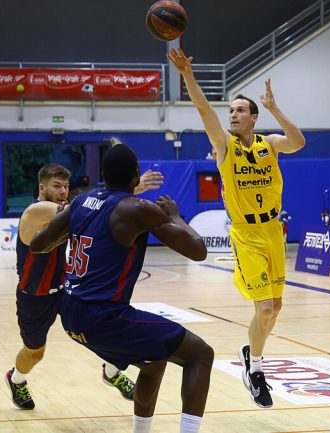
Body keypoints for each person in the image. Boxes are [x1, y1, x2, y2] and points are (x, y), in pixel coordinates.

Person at [30, 144, 213, 433]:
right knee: (201, 354)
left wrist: (64, 221)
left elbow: (39, 244)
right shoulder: (137, 209)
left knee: (154, 361)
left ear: (102, 175)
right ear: (136, 176)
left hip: (69, 313)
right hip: (104, 317)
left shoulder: (81, 201)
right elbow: (198, 251)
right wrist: (174, 215)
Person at [169, 47, 306, 408]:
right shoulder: (225, 146)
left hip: (274, 231)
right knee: (263, 309)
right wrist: (186, 74)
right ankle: (256, 370)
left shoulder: (269, 145)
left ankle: (251, 353)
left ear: (254, 117)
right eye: (231, 110)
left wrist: (276, 108)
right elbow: (203, 110)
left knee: (275, 307)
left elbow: (299, 142)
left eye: (240, 110)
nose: (233, 114)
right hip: (246, 235)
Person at [5, 163, 163, 410]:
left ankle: (111, 373)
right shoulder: (36, 211)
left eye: (66, 186)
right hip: (35, 296)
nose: (63, 191)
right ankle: (16, 379)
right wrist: (124, 190)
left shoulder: (66, 213)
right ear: (42, 187)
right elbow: (87, 208)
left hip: (67, 291)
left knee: (106, 333)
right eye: (57, 186)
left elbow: (93, 212)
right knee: (34, 353)